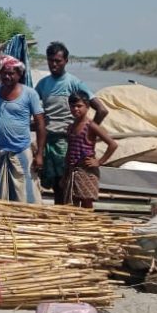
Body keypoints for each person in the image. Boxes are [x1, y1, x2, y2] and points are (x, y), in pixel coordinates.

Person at [35, 41, 109, 203]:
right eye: (50, 60)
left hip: (66, 142)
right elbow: (32, 107)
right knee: (54, 183)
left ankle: (67, 218)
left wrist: (87, 133)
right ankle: (60, 216)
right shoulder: (43, 84)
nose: (53, 64)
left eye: (58, 61)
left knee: (67, 183)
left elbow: (101, 110)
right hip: (49, 141)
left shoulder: (74, 83)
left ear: (66, 61)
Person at [0, 56, 46, 204]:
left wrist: (39, 153)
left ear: (19, 74)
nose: (7, 76)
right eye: (4, 73)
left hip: (21, 149)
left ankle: (28, 218)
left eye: (11, 73)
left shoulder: (29, 93)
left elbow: (40, 125)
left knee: (25, 190)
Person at [62, 92, 118, 209]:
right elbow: (70, 149)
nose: (75, 109)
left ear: (87, 107)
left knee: (86, 200)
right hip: (72, 170)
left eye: (79, 106)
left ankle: (86, 221)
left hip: (86, 170)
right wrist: (66, 171)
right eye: (72, 106)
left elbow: (112, 144)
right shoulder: (71, 127)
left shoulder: (91, 126)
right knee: (72, 200)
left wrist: (99, 161)